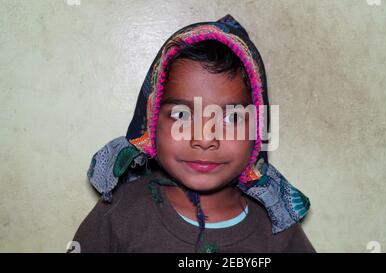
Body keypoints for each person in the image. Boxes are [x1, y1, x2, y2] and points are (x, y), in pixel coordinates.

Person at [72, 14, 315, 253]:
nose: (205, 139)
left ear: (258, 129)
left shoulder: (279, 228)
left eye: (232, 118)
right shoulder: (120, 213)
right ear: (152, 121)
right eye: (182, 115)